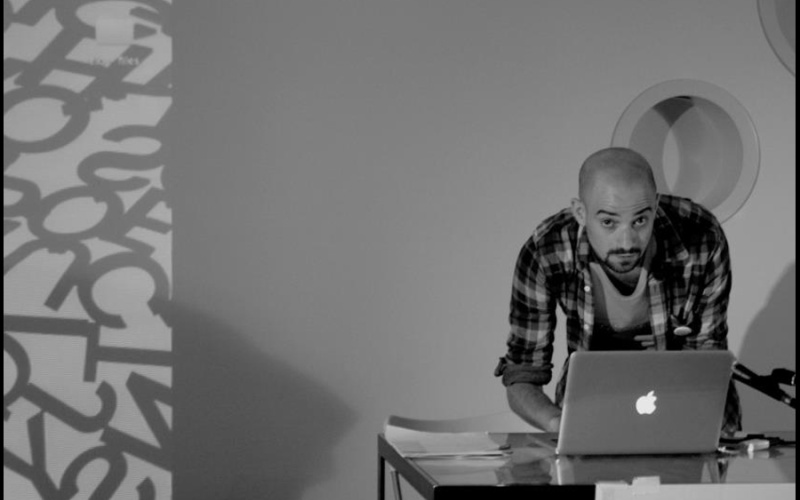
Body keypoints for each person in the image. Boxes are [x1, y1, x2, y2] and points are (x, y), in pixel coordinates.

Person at [494, 147, 741, 436]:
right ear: (580, 213)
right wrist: (557, 424)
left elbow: (706, 362)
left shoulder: (701, 236)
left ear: (656, 206)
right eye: (608, 222)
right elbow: (523, 372)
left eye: (640, 221)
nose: (626, 241)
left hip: (692, 415)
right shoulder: (546, 250)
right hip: (590, 416)